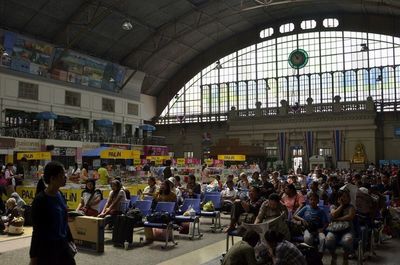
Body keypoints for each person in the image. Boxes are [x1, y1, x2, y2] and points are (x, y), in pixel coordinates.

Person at [29, 161, 76, 265]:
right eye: (62, 175)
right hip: (48, 248)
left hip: (63, 245)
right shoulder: (40, 200)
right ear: (52, 179)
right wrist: (33, 257)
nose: (65, 177)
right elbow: (37, 231)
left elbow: (64, 221)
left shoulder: (60, 195)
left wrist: (71, 240)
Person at [325, 189, 355, 265]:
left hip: (347, 230)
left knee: (347, 241)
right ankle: (334, 255)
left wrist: (337, 219)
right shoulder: (333, 206)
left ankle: (345, 257)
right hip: (334, 230)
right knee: (328, 240)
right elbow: (333, 214)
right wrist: (341, 205)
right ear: (338, 198)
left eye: (346, 197)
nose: (345, 199)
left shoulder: (351, 207)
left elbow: (350, 217)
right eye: (343, 197)